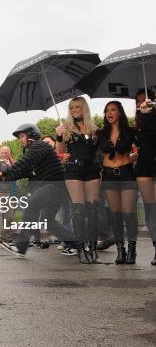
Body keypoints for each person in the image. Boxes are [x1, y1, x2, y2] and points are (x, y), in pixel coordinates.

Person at [0, 124, 74, 256]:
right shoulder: (36, 149)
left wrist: (5, 173)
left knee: (31, 205)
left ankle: (21, 245)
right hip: (57, 187)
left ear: (31, 135)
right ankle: (77, 243)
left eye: (22, 136)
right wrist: (1, 177)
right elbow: (26, 171)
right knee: (47, 220)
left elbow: (23, 164)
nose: (20, 140)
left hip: (55, 185)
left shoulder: (39, 146)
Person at [55, 96, 101, 263]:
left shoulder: (94, 128)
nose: (74, 110)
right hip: (73, 169)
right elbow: (59, 151)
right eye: (71, 107)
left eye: (77, 107)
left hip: (92, 170)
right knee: (78, 208)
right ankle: (80, 245)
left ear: (84, 108)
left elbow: (101, 150)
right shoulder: (66, 128)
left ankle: (92, 244)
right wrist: (59, 136)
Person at [96, 101, 138, 265]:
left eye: (113, 110)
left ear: (120, 112)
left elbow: (140, 148)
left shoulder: (130, 131)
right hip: (109, 176)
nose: (109, 113)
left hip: (127, 173)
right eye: (107, 110)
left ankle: (132, 249)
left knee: (129, 213)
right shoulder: (101, 133)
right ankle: (121, 250)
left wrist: (133, 157)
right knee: (116, 215)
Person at [134, 89, 156, 265]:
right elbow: (140, 141)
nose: (141, 103)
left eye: (145, 100)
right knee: (150, 210)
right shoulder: (139, 119)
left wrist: (149, 115)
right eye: (138, 101)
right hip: (143, 167)